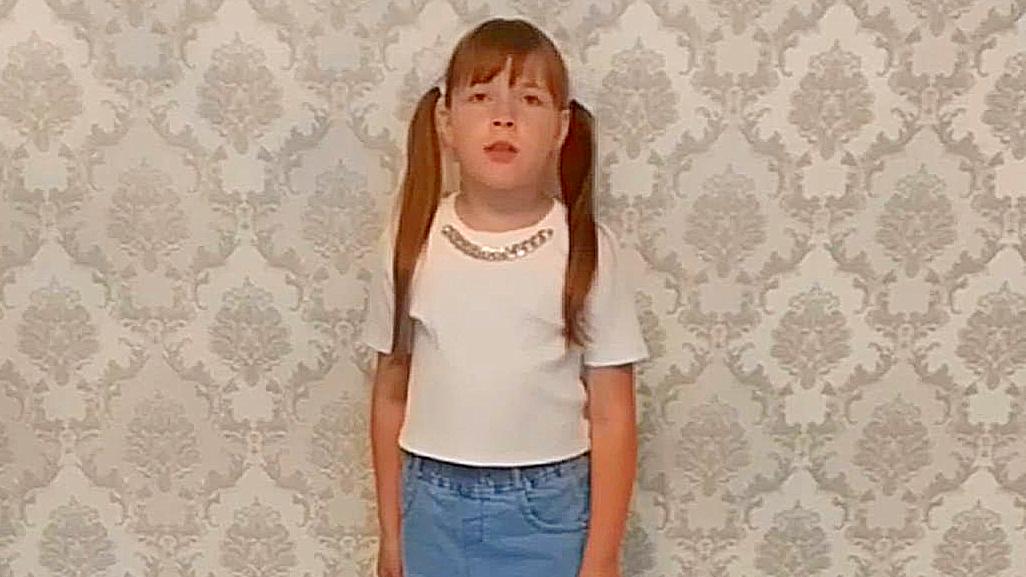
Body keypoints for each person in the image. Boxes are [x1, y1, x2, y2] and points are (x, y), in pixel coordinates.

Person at [361, 17, 649, 577]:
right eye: (481, 96)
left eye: (530, 99)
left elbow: (614, 415)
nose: (504, 116)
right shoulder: (409, 242)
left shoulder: (587, 250)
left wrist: (601, 558)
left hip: (548, 514)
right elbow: (390, 395)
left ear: (561, 128)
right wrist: (392, 537)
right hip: (431, 509)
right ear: (446, 121)